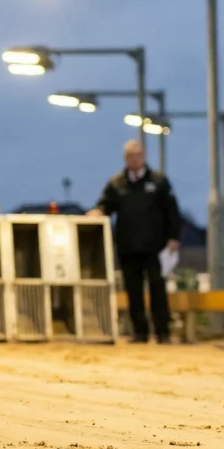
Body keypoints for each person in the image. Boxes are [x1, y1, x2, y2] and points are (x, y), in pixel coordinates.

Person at [87, 139, 182, 344]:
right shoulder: (116, 183)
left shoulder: (159, 181)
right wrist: (97, 211)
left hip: (155, 247)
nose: (135, 159)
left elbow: (172, 212)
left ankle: (162, 332)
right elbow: (105, 205)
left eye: (138, 155)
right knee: (133, 292)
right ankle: (140, 333)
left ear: (144, 156)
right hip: (128, 247)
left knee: (158, 290)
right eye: (130, 156)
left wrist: (174, 237)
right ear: (125, 158)